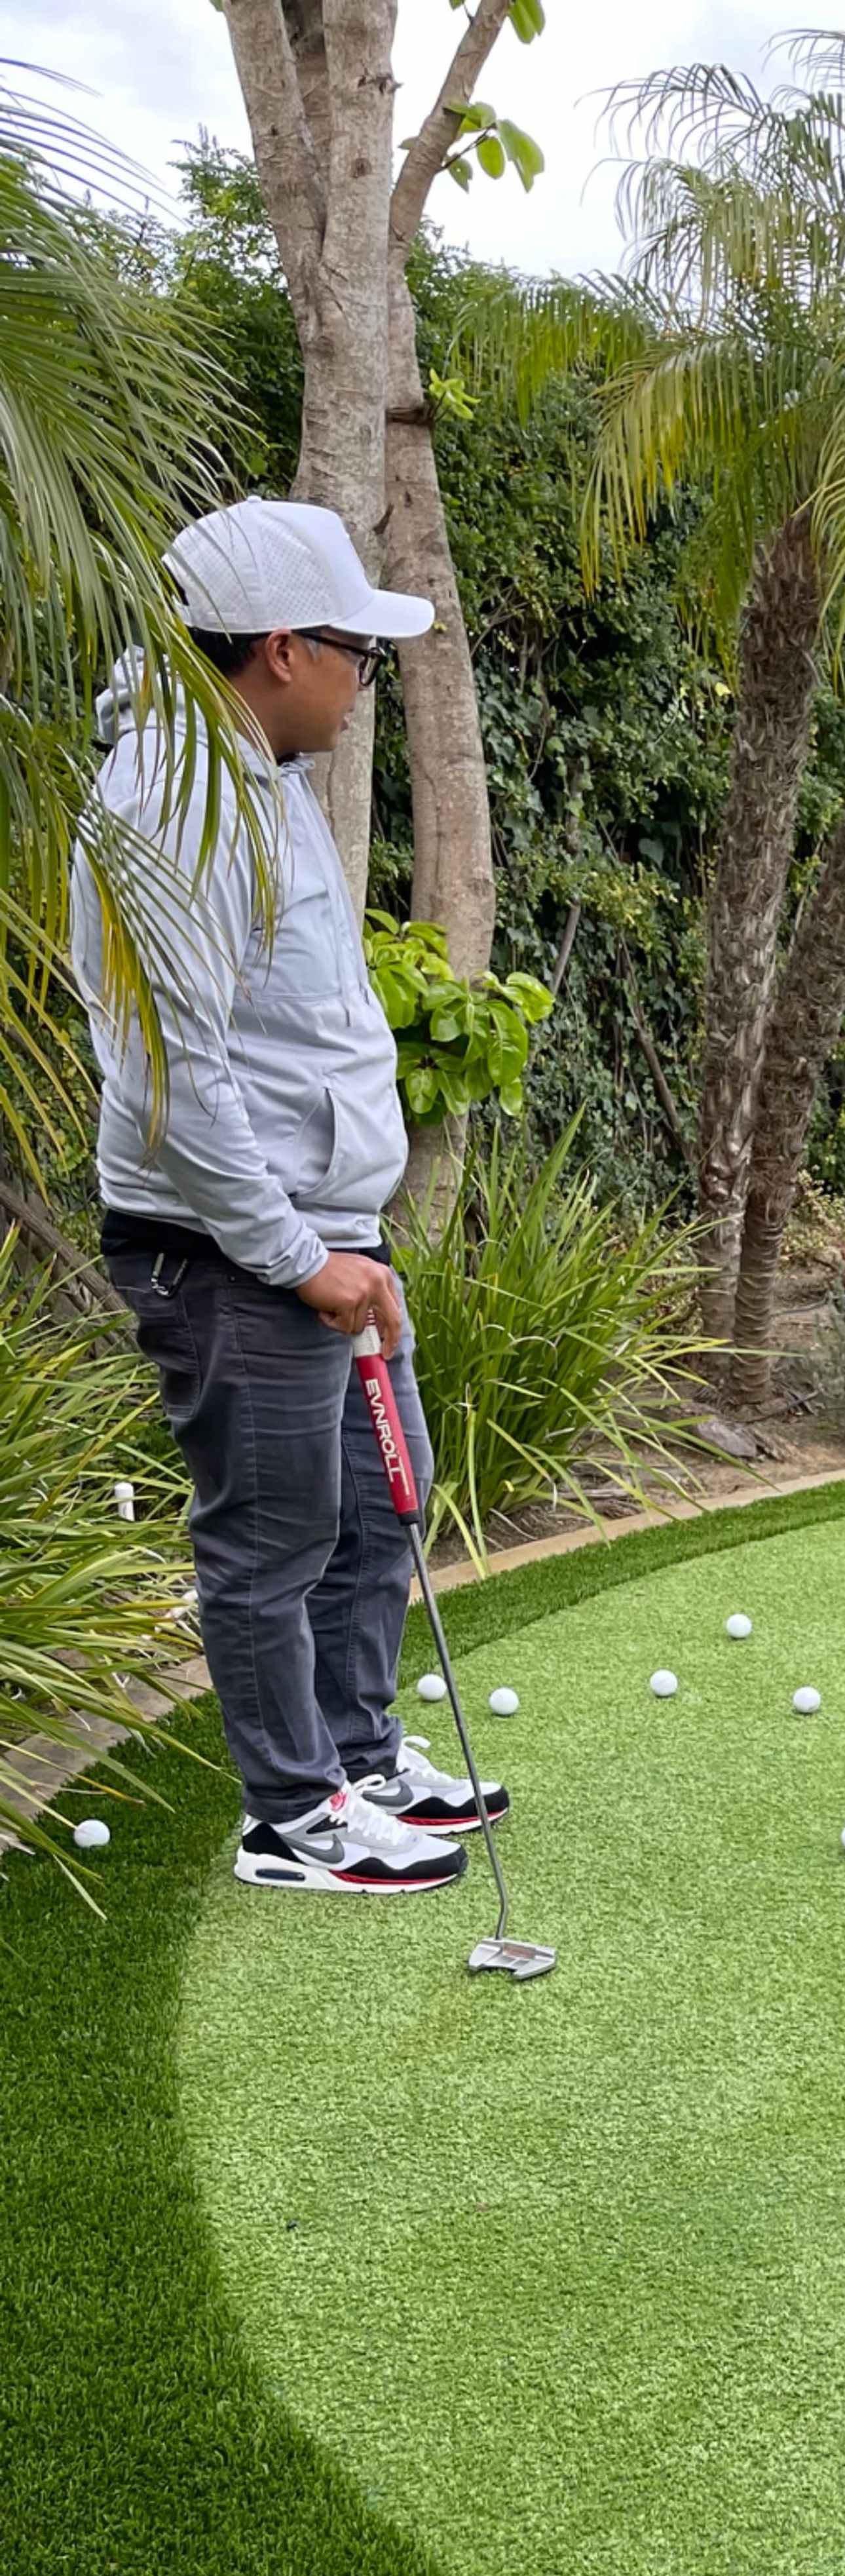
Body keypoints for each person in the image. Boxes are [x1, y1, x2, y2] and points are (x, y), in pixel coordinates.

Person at [70, 497, 502, 1893]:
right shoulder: (164, 801)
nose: (365, 679)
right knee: (272, 1534)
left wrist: (341, 1232)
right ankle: (293, 1814)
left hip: (319, 1226)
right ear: (276, 650)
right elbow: (171, 1079)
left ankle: (361, 1754)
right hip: (230, 1247)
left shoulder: (253, 772)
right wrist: (293, 1254)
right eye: (352, 653)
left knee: (385, 1495)